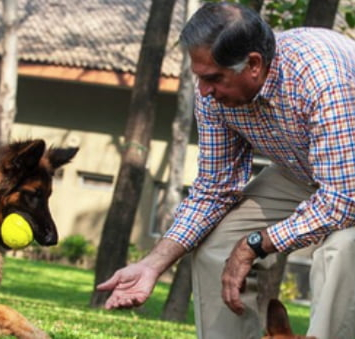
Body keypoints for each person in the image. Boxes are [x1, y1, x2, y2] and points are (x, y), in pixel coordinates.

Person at [97, 2, 355, 339]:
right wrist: (153, 265)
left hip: (345, 186)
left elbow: (342, 201)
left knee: (342, 248)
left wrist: (253, 245)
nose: (203, 91)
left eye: (213, 78)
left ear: (253, 64)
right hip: (307, 171)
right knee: (217, 247)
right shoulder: (215, 96)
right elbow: (213, 189)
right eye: (200, 77)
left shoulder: (323, 80)